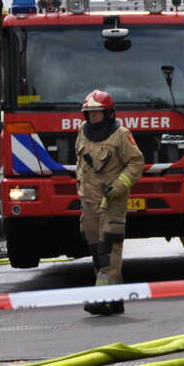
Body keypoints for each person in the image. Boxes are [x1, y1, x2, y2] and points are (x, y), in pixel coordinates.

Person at [75, 89, 144, 316]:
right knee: (98, 253)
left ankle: (101, 298)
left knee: (109, 251)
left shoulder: (121, 135)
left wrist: (118, 187)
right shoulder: (83, 132)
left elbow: (136, 164)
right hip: (89, 204)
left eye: (97, 113)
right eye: (89, 113)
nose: (92, 117)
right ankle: (116, 299)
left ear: (108, 113)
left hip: (111, 203)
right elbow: (80, 165)